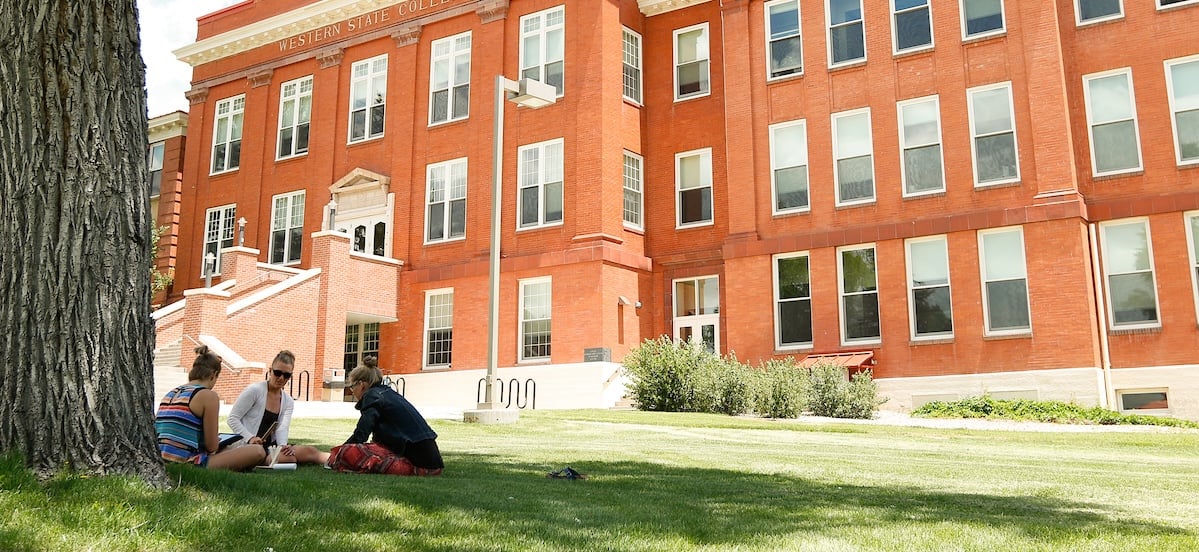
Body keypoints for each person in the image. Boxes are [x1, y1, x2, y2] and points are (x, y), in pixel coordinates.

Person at [328, 356, 444, 476]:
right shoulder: (388, 393)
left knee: (348, 452)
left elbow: (361, 434)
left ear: (362, 384)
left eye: (352, 386)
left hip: (419, 466)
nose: (352, 391)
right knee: (368, 448)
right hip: (433, 465)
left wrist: (340, 451)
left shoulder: (372, 396)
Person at [156, 345, 266, 470]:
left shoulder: (172, 392)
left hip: (161, 457)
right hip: (186, 461)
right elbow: (211, 446)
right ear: (214, 374)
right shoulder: (209, 396)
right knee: (257, 451)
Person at [227, 350, 330, 466]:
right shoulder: (254, 391)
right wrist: (250, 438)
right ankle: (265, 461)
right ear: (270, 371)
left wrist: (282, 446)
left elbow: (282, 428)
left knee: (309, 451)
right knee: (288, 459)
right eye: (277, 373)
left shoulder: (288, 401)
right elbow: (232, 418)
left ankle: (341, 459)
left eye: (286, 375)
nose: (281, 378)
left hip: (272, 448)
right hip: (249, 446)